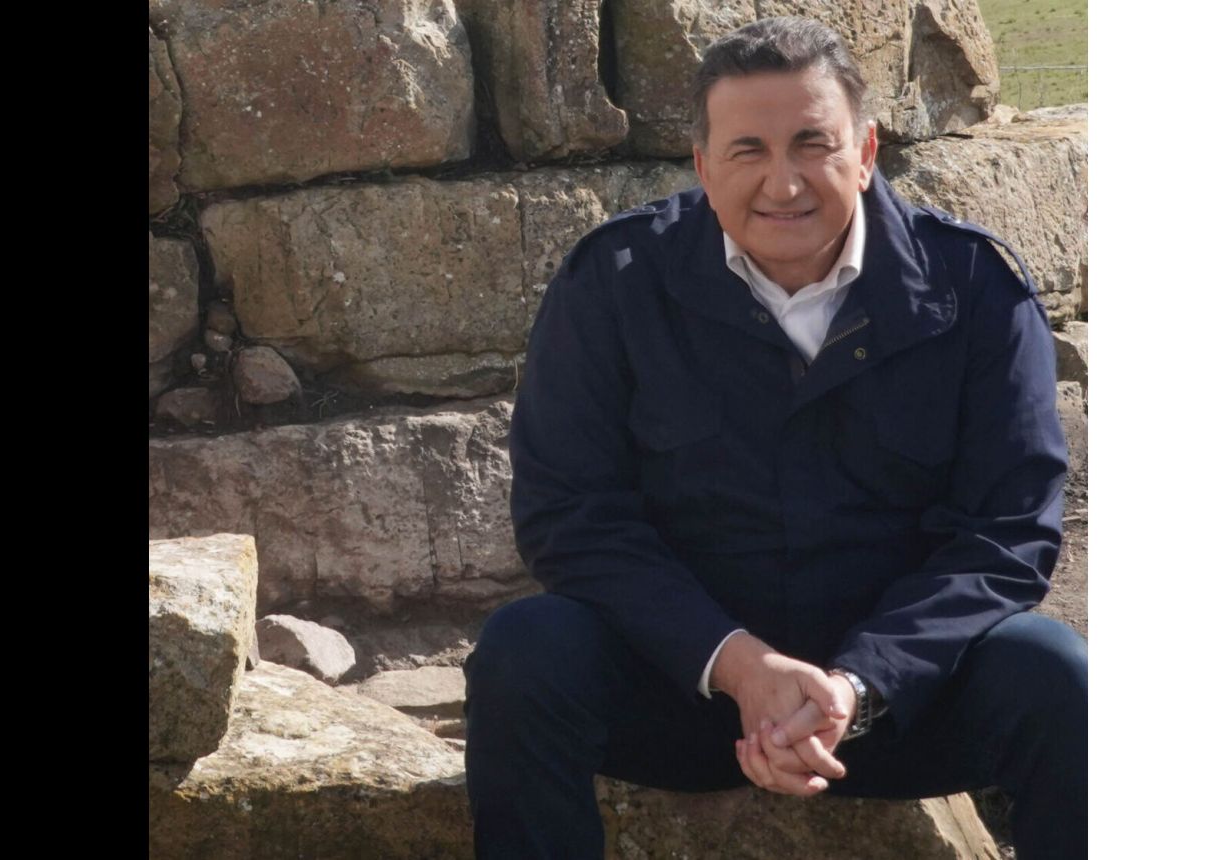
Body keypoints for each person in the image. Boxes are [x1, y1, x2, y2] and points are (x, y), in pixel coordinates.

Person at [464, 16, 1086, 859]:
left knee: (1054, 673)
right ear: (702, 165)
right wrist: (738, 665)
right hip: (688, 693)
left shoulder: (976, 289)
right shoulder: (612, 284)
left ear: (865, 152)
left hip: (901, 703)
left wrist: (858, 684)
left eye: (812, 144)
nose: (783, 183)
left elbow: (1006, 534)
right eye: (748, 150)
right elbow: (569, 516)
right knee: (524, 654)